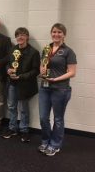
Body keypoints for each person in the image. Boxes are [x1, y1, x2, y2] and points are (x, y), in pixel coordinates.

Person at [38, 23, 77, 156]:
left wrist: (56, 79)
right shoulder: (46, 48)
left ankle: (55, 144)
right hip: (44, 87)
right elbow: (42, 65)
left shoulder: (68, 51)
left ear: (64, 35)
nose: (56, 34)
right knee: (43, 117)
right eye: (54, 32)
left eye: (59, 32)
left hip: (60, 89)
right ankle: (45, 140)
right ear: (51, 33)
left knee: (58, 119)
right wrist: (42, 71)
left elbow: (72, 72)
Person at [0, 27, 40, 142]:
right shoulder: (12, 49)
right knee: (11, 107)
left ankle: (24, 130)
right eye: (17, 35)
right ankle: (12, 128)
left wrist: (21, 76)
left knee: (23, 109)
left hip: (25, 85)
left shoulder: (34, 52)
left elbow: (36, 70)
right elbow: (8, 63)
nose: (20, 37)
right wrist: (8, 70)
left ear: (27, 37)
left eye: (22, 35)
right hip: (12, 83)